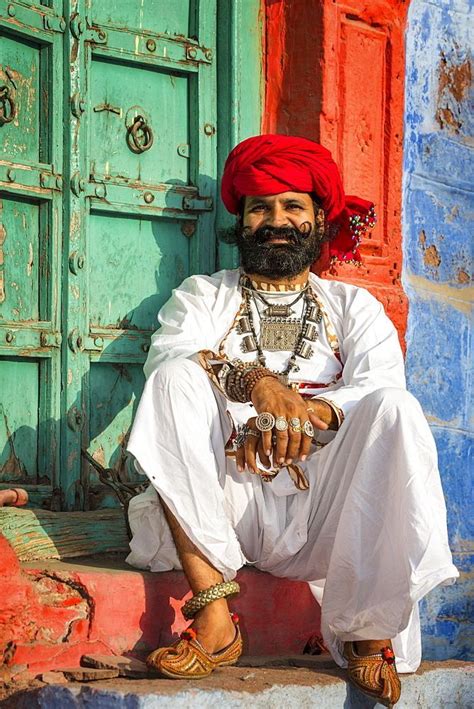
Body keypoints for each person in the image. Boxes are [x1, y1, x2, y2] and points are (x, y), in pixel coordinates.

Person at [125, 135, 458, 706]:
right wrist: (257, 386)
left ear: (318, 219)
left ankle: (368, 636)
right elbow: (171, 358)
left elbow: (380, 384)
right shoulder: (202, 296)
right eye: (260, 207)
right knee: (174, 377)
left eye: (292, 207)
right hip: (228, 503)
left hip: (329, 516)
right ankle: (215, 620)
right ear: (242, 219)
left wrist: (308, 415)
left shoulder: (353, 307)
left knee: (396, 409)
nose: (275, 220)